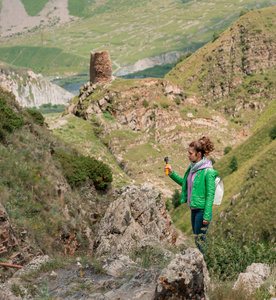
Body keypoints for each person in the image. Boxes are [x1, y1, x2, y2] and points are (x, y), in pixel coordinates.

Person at [165, 136, 217, 253]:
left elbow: (210, 195)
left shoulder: (208, 171)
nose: (188, 155)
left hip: (202, 211)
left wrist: (207, 215)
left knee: (200, 241)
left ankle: (209, 264)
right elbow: (185, 183)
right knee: (198, 240)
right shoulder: (192, 168)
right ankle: (207, 264)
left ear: (198, 154)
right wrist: (171, 174)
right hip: (194, 209)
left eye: (190, 153)